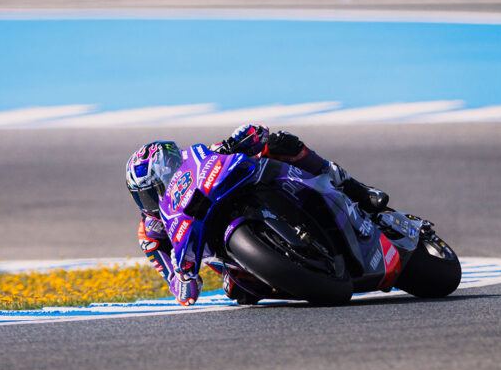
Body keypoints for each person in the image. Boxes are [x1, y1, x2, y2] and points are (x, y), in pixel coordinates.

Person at [125, 124, 390, 306]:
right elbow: (178, 286)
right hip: (231, 261)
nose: (156, 196)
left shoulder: (200, 158)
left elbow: (256, 132)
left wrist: (244, 139)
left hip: (240, 191)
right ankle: (299, 274)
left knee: (281, 143)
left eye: (158, 185)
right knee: (239, 292)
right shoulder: (151, 234)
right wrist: (181, 277)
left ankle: (356, 188)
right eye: (147, 194)